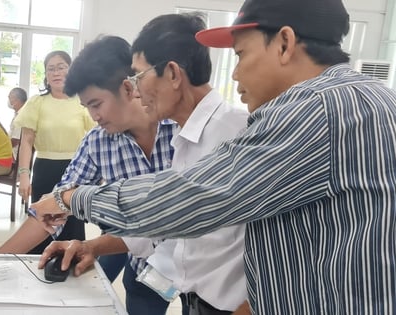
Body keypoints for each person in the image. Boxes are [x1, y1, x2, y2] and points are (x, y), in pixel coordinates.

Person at [33, 0, 396, 314]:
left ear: (284, 43)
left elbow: (184, 203)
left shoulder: (312, 110)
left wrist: (72, 197)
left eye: (240, 55)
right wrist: (95, 243)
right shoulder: (364, 99)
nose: (235, 73)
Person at [36, 13, 249, 315]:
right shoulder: (186, 139)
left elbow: (274, 241)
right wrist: (92, 246)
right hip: (191, 293)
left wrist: (70, 198)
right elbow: (161, 222)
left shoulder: (237, 132)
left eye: (138, 76)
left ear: (173, 74)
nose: (135, 90)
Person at [0, 36, 175, 314]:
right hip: (147, 268)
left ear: (128, 88)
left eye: (96, 104)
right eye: (87, 107)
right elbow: (55, 206)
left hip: (207, 275)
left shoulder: (181, 128)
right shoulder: (98, 141)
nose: (94, 116)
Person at [13, 50, 95, 254]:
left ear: (71, 70)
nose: (56, 73)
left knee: (72, 225)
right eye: (51, 69)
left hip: (76, 172)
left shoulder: (82, 102)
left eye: (61, 67)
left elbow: (95, 139)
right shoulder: (37, 102)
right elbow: (27, 141)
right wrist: (24, 175)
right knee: (42, 222)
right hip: (44, 170)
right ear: (46, 75)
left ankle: (69, 264)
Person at [7, 87, 27, 160]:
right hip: (10, 151)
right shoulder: (18, 113)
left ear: (17, 100)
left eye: (10, 98)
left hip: (12, 155)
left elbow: (15, 141)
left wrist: (1, 146)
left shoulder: (21, 116)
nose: (8, 101)